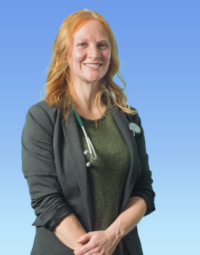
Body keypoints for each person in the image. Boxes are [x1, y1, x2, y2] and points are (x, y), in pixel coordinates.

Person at [21, 8, 156, 255]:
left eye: (102, 45)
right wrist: (94, 250)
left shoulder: (129, 117)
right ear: (65, 55)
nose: (94, 54)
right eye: (82, 44)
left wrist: (112, 236)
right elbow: (46, 201)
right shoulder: (41, 118)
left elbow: (144, 190)